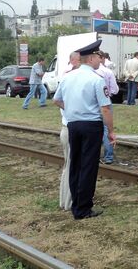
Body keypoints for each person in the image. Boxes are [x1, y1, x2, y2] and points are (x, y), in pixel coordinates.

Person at [53, 40, 115, 220]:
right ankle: (84, 208)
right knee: (88, 166)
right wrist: (110, 131)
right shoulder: (96, 79)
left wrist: (72, 108)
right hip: (91, 126)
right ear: (91, 58)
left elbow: (56, 100)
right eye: (98, 56)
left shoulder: (68, 77)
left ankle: (76, 205)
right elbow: (105, 109)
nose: (100, 60)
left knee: (76, 164)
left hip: (73, 125)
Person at [58, 51, 80, 211]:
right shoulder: (72, 79)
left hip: (66, 127)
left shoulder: (65, 78)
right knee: (74, 166)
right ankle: (70, 202)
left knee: (68, 165)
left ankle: (64, 201)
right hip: (72, 128)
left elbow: (56, 100)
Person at [96, 53, 119, 164]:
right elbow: (115, 89)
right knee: (107, 129)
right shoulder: (108, 72)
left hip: (92, 103)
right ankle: (108, 156)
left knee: (93, 127)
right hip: (105, 101)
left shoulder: (90, 72)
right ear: (103, 59)